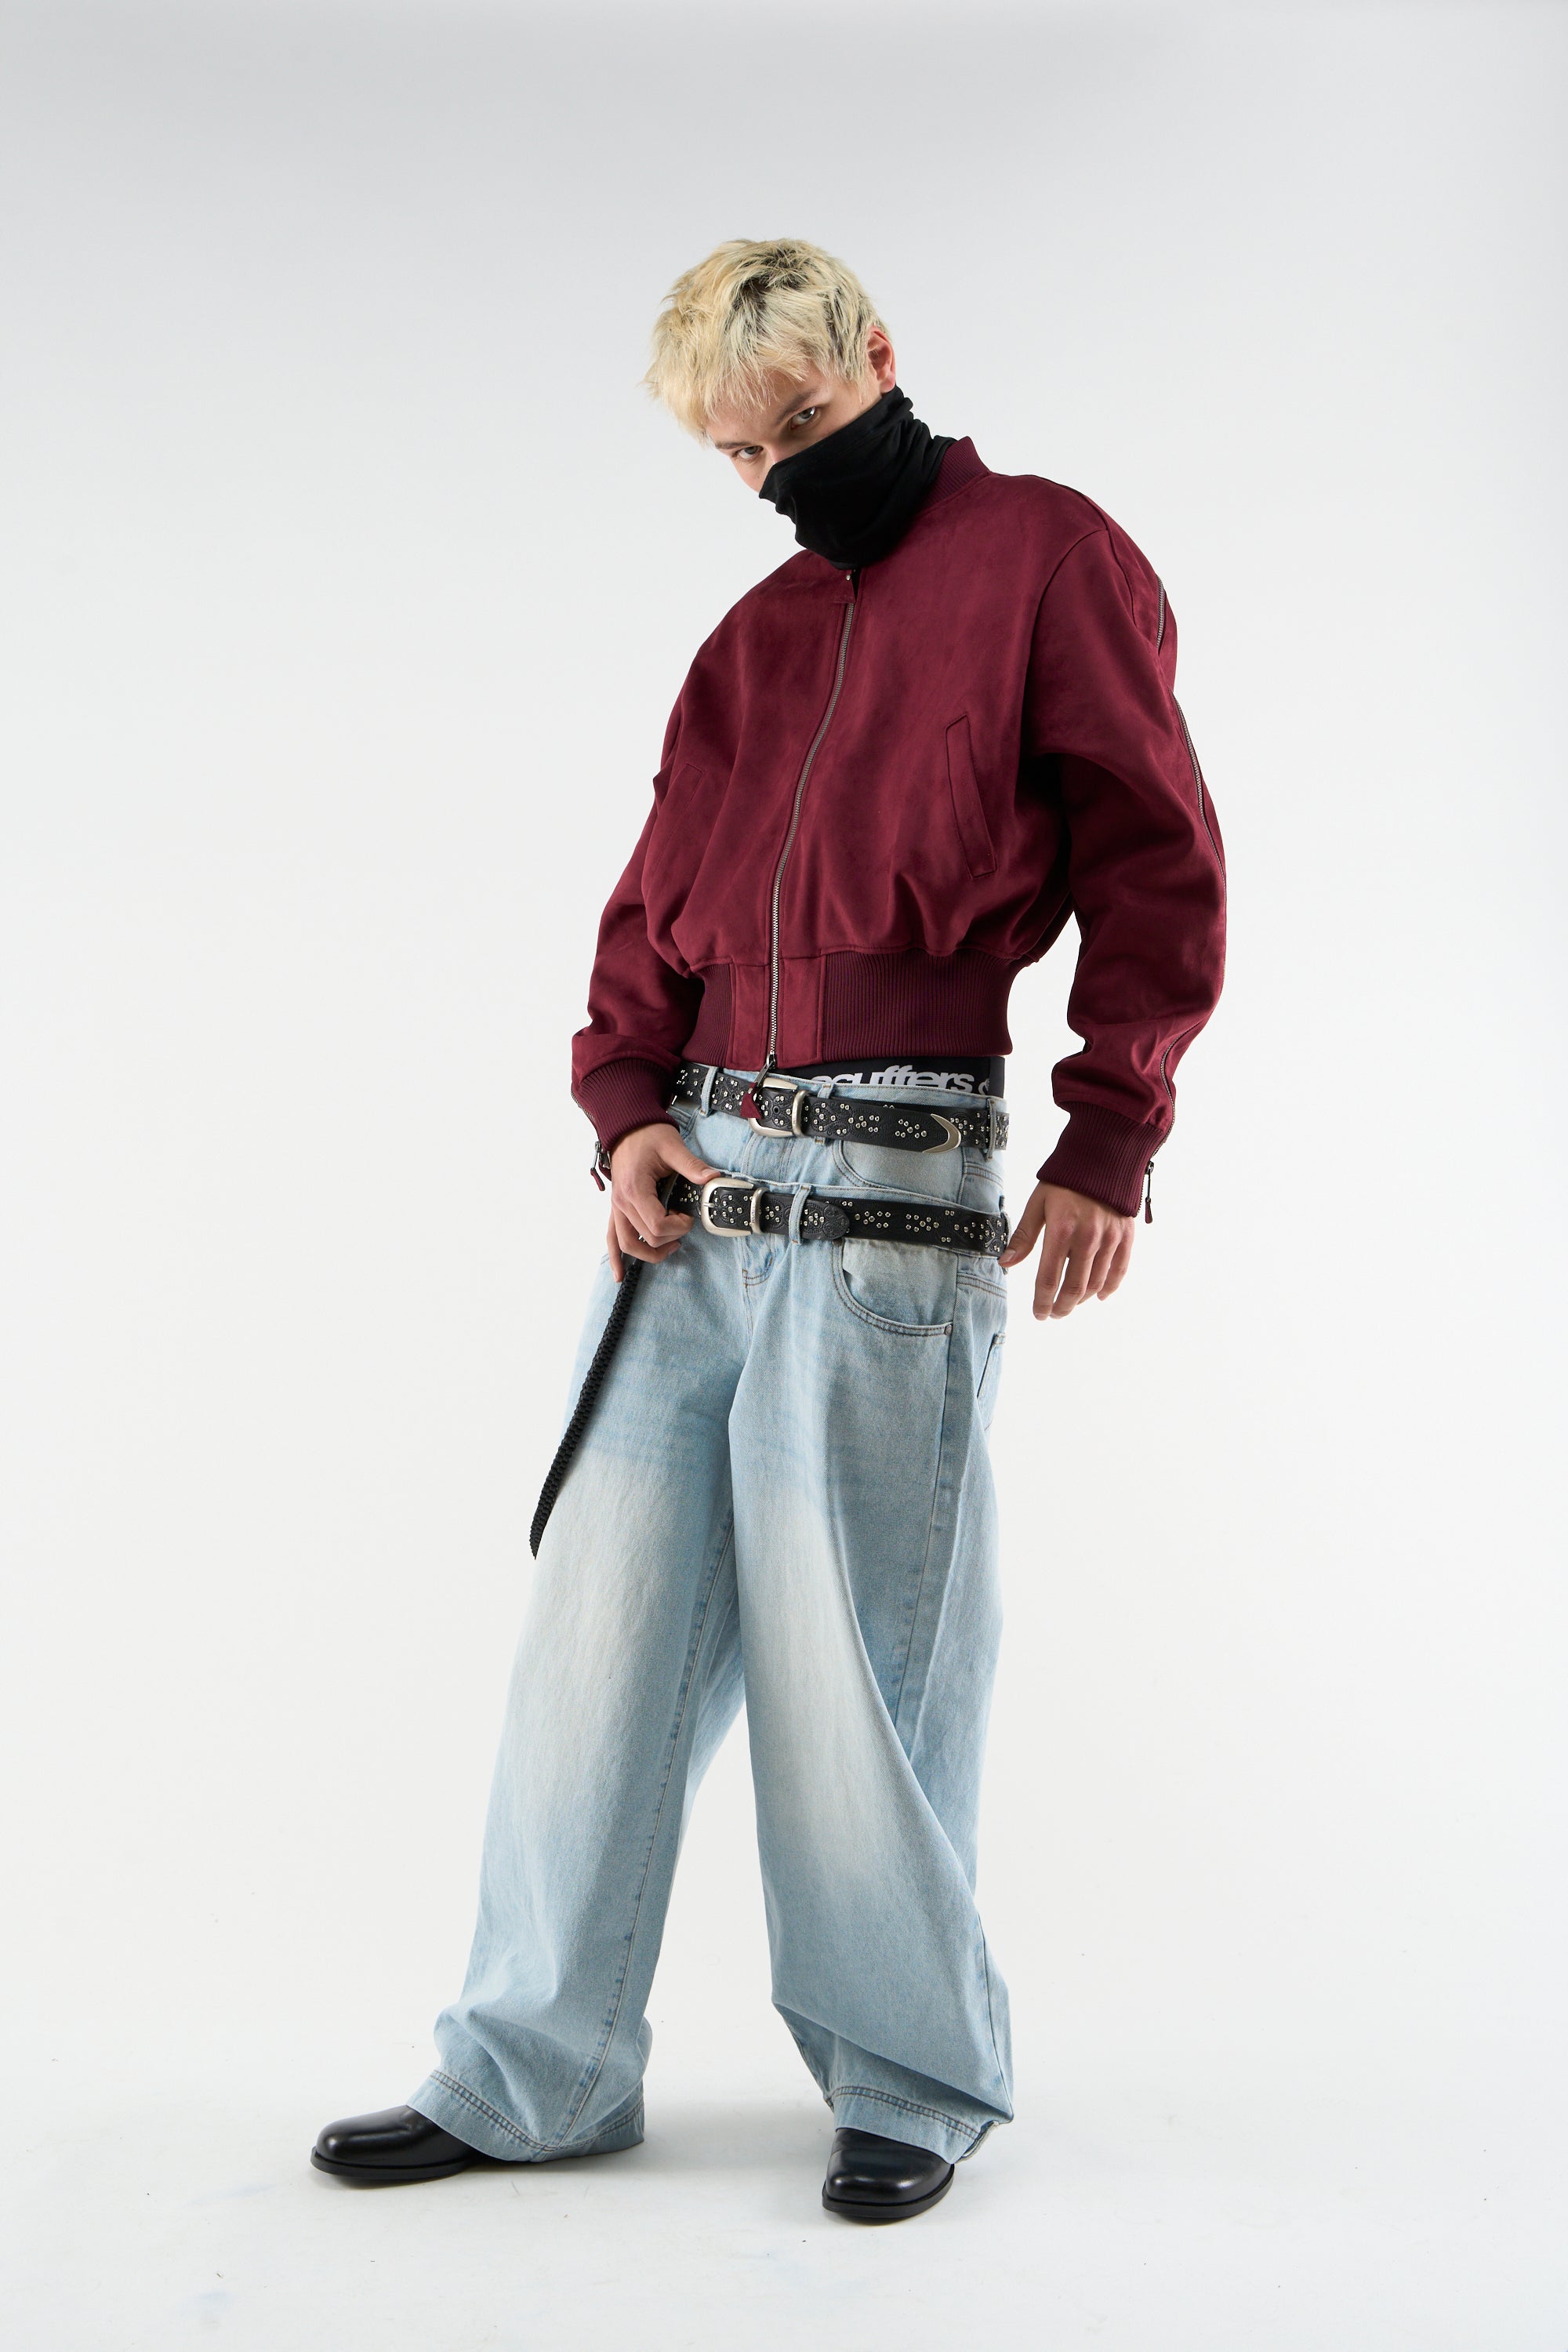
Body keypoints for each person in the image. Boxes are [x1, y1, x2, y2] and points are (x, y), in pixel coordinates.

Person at [313, 238, 1225, 2223]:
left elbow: (1158, 852)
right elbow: (653, 899)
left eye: (796, 426)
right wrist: (623, 1108)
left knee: (858, 1672)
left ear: (877, 355)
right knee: (594, 1639)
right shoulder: (753, 636)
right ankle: (533, 2067)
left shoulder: (1049, 559)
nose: (772, 477)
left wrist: (1112, 1129)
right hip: (695, 1203)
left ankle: (910, 2077)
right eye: (733, 455)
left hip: (896, 1194)